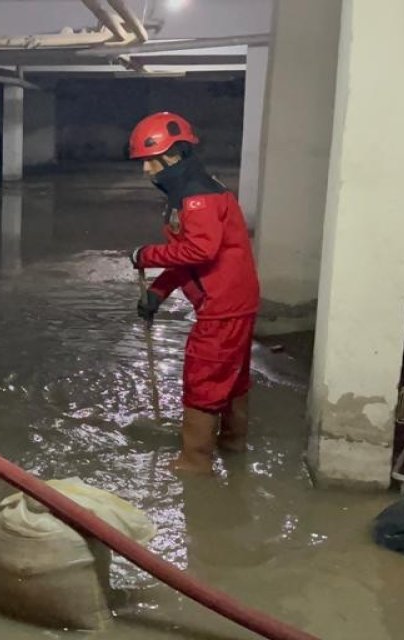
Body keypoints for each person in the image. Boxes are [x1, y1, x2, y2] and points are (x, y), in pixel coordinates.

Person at [126, 112, 260, 475]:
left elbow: (201, 251)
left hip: (222, 305)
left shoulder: (197, 198)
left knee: (203, 376)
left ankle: (194, 461)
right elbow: (190, 257)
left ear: (172, 156)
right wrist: (158, 291)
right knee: (232, 375)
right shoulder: (193, 189)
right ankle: (232, 442)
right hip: (235, 300)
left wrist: (146, 255)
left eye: (150, 161)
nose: (146, 171)